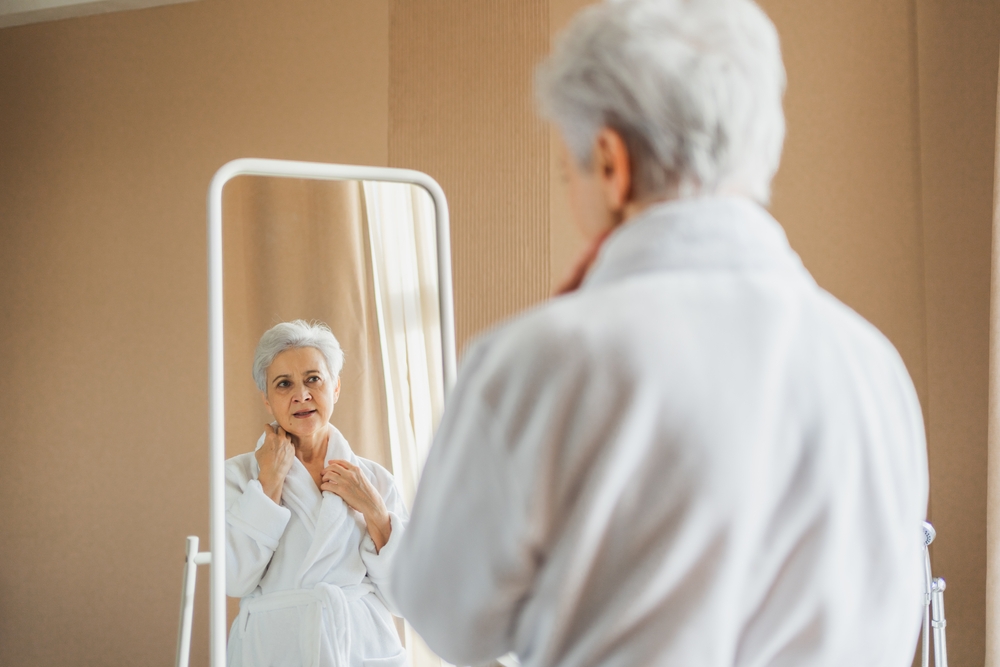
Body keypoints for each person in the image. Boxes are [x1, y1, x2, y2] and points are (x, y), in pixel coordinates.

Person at [392, 1, 928, 666]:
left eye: (569, 171)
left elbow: (445, 614)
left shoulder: (541, 359)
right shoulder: (874, 365)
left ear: (611, 162)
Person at [225, 320, 408, 667]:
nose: (302, 395)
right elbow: (235, 579)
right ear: (266, 399)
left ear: (335, 387)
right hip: (275, 650)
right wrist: (268, 484)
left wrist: (376, 513)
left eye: (313, 379)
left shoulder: (376, 481)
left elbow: (408, 597)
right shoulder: (237, 476)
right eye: (284, 384)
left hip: (360, 647)